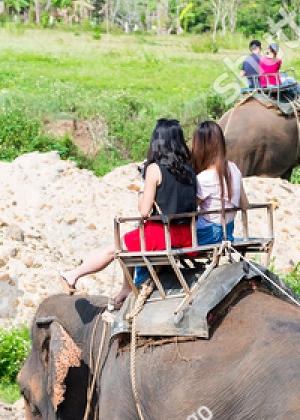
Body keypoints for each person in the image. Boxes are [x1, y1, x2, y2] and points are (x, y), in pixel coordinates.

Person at [62, 119, 199, 304]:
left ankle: (73, 275)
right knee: (131, 241)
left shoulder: (155, 169)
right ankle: (125, 288)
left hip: (162, 235)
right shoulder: (190, 170)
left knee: (115, 248)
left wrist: (143, 190)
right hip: (187, 236)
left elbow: (144, 210)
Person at [192, 120, 242, 244]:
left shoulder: (204, 178)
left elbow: (190, 209)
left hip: (208, 234)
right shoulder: (233, 168)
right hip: (228, 231)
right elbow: (244, 203)